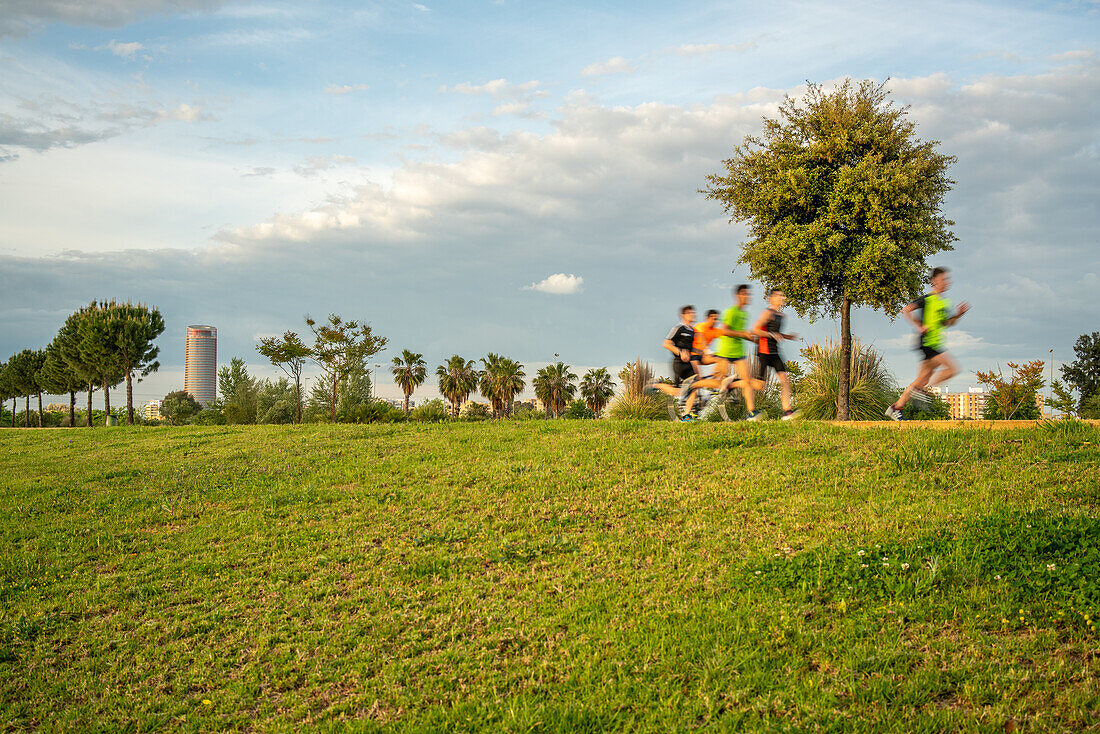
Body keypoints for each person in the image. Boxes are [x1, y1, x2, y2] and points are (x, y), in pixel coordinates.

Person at [886, 267, 970, 420]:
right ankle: (925, 391)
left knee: (921, 379)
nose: (946, 282)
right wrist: (919, 325)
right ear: (934, 282)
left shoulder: (944, 303)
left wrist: (958, 315)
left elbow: (948, 323)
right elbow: (906, 310)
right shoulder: (927, 299)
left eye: (947, 279)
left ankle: (896, 407)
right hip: (928, 342)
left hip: (934, 343)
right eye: (943, 279)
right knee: (952, 369)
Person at [682, 285, 763, 420]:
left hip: (738, 353)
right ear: (737, 296)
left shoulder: (744, 314)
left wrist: (754, 340)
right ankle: (694, 385)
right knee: (719, 383)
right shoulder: (730, 312)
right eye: (744, 294)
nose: (748, 297)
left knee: (747, 381)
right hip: (722, 353)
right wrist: (744, 335)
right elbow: (725, 331)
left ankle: (751, 412)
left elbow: (722, 333)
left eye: (749, 294)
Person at [751, 288, 800, 420]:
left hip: (775, 352)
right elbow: (755, 330)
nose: (781, 298)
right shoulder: (767, 313)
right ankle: (736, 383)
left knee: (785, 380)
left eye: (782, 296)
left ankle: (787, 411)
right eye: (778, 296)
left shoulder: (781, 316)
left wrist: (789, 336)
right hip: (763, 352)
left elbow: (777, 334)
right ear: (770, 298)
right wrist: (772, 335)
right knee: (760, 386)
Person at [646, 305, 698, 404]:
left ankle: (687, 415)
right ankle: (656, 385)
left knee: (695, 385)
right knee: (679, 392)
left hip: (688, 364)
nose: (693, 315)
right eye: (690, 313)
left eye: (693, 313)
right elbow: (666, 343)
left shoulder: (692, 331)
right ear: (683, 315)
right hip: (679, 364)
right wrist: (680, 352)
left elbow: (691, 348)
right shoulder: (679, 328)